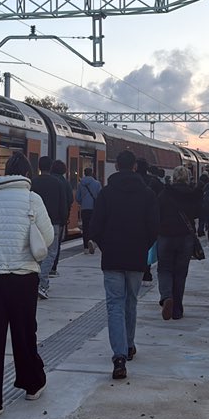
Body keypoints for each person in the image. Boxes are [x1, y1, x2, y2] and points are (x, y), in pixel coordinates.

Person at [0, 151, 53, 419]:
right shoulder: (32, 199)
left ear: (5, 173)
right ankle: (31, 384)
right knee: (24, 334)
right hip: (24, 278)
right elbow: (47, 237)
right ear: (27, 174)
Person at [89, 149, 159, 381]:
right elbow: (153, 228)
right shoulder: (148, 194)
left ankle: (119, 355)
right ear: (135, 167)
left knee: (114, 305)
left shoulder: (107, 194)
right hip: (136, 257)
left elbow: (95, 227)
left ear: (117, 167)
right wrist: (142, 246)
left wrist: (106, 246)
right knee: (131, 301)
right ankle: (129, 345)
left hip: (112, 258)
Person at [157, 166, 199, 321]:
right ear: (188, 178)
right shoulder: (192, 194)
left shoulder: (164, 193)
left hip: (166, 236)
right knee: (181, 273)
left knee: (164, 269)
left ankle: (167, 296)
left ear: (173, 178)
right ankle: (177, 310)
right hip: (185, 238)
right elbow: (198, 213)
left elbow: (157, 212)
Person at [31, 156, 68, 299]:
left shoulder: (33, 183)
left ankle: (36, 281)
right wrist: (63, 220)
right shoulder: (58, 183)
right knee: (51, 253)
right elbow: (63, 204)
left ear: (39, 167)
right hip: (53, 223)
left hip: (34, 224)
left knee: (35, 252)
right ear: (51, 167)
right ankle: (42, 283)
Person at [49, 159, 73, 275]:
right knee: (56, 245)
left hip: (43, 218)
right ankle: (53, 268)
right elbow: (69, 200)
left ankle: (43, 268)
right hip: (58, 219)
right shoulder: (65, 182)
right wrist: (65, 218)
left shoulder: (44, 180)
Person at [76, 166, 102, 252]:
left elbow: (77, 197)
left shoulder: (80, 184)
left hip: (84, 209)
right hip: (94, 209)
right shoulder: (97, 184)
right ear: (92, 173)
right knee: (93, 226)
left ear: (84, 173)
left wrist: (82, 202)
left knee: (85, 227)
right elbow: (100, 197)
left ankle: (85, 247)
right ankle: (92, 241)